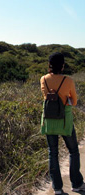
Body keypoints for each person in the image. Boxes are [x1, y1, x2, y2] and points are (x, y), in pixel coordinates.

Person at [40, 52, 85, 195]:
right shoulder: (68, 80)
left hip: (49, 120)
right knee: (73, 151)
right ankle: (77, 184)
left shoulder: (43, 79)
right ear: (63, 65)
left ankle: (57, 189)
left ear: (49, 65)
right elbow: (75, 101)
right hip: (65, 120)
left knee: (52, 153)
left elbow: (46, 97)